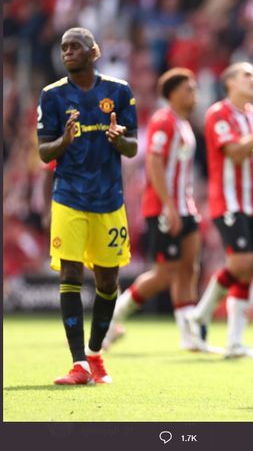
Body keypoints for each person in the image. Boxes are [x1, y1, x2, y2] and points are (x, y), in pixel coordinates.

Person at [37, 27, 138, 385]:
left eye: (75, 47)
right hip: (69, 198)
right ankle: (78, 363)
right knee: (70, 275)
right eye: (64, 47)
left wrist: (119, 139)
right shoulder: (52, 96)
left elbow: (133, 147)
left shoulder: (119, 91)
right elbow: (43, 150)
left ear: (94, 52)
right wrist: (63, 140)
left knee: (108, 280)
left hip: (109, 199)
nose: (68, 52)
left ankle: (95, 353)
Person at [185, 62, 253, 358]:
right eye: (247, 75)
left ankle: (234, 341)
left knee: (249, 269)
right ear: (229, 82)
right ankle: (201, 313)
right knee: (240, 264)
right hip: (228, 202)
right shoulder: (218, 113)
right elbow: (236, 153)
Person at [103, 68, 202, 351]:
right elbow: (154, 164)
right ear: (172, 94)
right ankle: (112, 319)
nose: (193, 93)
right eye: (189, 89)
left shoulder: (183, 123)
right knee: (164, 273)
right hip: (163, 207)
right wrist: (169, 207)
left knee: (188, 268)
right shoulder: (163, 120)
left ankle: (189, 336)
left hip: (185, 206)